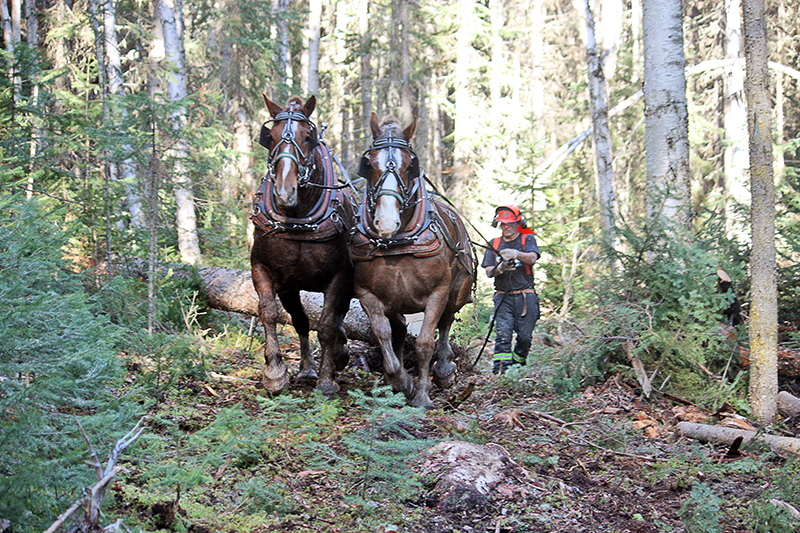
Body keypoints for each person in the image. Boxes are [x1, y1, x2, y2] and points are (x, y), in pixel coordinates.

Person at [481, 205, 541, 374]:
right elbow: (488, 271)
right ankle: (500, 374)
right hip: (503, 297)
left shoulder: (527, 239)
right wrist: (500, 268)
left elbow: (532, 258)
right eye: (502, 224)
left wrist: (516, 254)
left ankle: (517, 369)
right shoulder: (494, 244)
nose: (505, 227)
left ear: (517, 223)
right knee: (503, 336)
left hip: (525, 296)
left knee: (525, 338)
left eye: (509, 224)